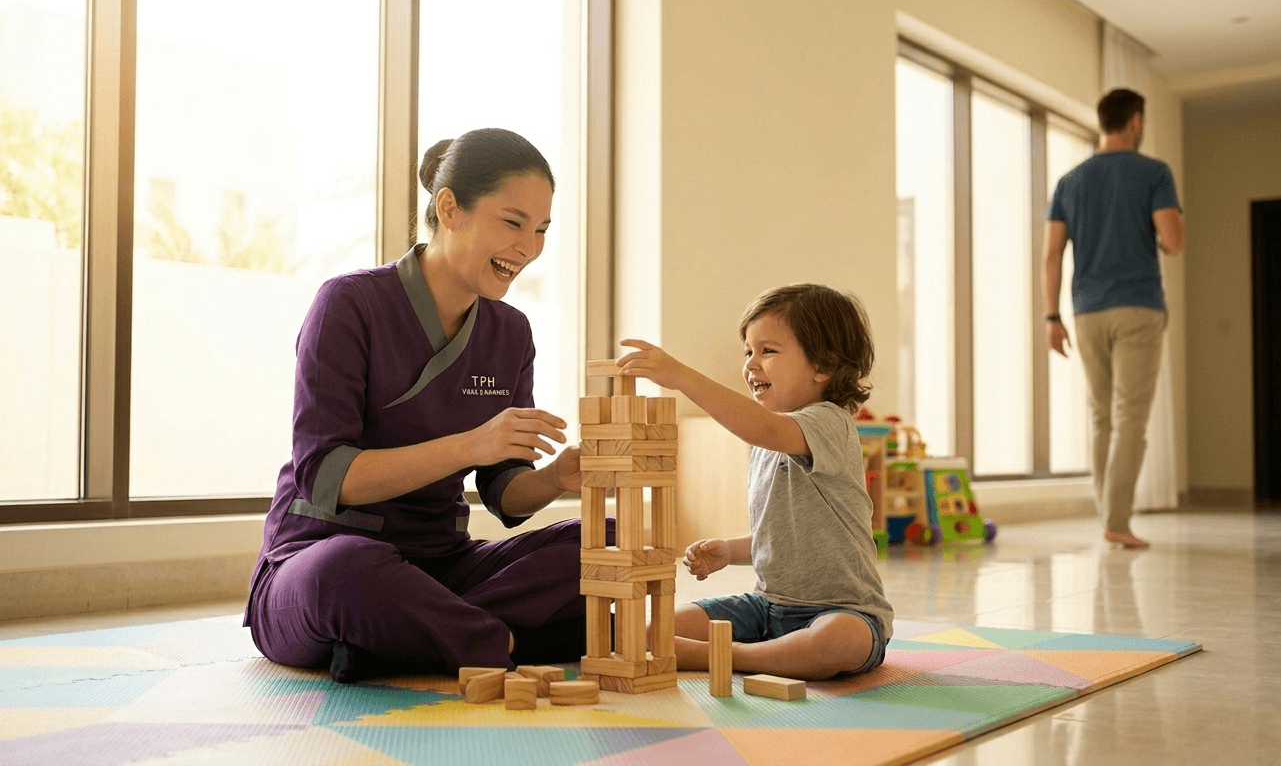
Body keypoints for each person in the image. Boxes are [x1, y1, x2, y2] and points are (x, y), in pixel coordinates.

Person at [244, 128, 603, 684]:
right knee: (346, 572)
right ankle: (496, 639)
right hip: (321, 558)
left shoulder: (510, 332)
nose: (529, 248)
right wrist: (472, 441)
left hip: (442, 569)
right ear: (449, 207)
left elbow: (505, 492)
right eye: (513, 223)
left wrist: (557, 476)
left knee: (603, 539)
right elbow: (327, 477)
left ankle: (409, 640)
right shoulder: (349, 303)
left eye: (541, 231)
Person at [616, 284, 893, 681]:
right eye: (748, 350)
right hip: (766, 608)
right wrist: (730, 550)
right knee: (651, 628)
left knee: (839, 640)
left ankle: (734, 657)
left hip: (841, 612)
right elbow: (785, 536)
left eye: (768, 351)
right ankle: (766, 654)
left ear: (823, 365)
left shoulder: (830, 422)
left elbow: (760, 426)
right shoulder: (767, 445)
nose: (751, 364)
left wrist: (680, 376)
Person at [1044, 88, 1186, 549]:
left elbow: (1051, 255)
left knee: (1102, 416)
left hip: (1086, 311)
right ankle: (1117, 522)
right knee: (1130, 418)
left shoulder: (1070, 181)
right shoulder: (1153, 172)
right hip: (1137, 307)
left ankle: (1110, 515)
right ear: (1136, 121)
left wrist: (1052, 316)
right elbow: (1174, 240)